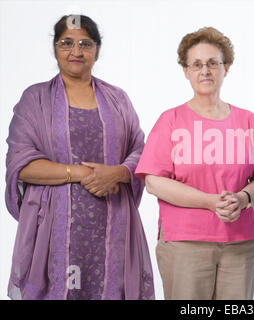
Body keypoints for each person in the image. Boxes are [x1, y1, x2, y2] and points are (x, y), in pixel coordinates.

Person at [5, 15, 154, 300]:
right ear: (55, 48)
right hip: (52, 227)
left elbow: (141, 150)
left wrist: (119, 173)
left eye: (85, 43)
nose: (76, 51)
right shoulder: (35, 99)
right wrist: (83, 173)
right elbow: (21, 162)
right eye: (67, 43)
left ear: (97, 50)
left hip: (112, 223)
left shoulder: (117, 99)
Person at [135, 27, 254, 300]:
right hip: (185, 243)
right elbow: (153, 182)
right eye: (196, 64)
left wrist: (243, 198)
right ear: (185, 71)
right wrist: (209, 201)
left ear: (226, 67)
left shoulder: (247, 121)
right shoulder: (170, 120)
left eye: (213, 63)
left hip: (239, 243)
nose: (205, 71)